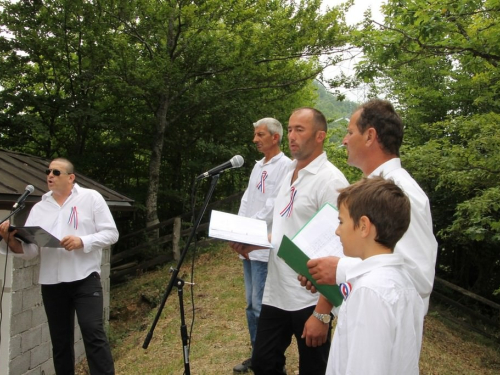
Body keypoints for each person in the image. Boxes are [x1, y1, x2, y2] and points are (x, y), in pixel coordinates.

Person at [232, 107, 349, 375]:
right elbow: (285, 230)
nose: (292, 136)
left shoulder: (331, 181)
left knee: (313, 369)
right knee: (264, 363)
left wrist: (322, 313)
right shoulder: (289, 174)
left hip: (309, 297)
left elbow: (338, 250)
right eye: (291, 128)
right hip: (276, 292)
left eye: (300, 129)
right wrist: (255, 242)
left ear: (320, 136)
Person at [301, 99, 438, 313]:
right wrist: (325, 274)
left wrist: (340, 269)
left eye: (350, 132)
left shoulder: (402, 192)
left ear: (370, 136)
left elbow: (417, 277)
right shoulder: (372, 189)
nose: (344, 140)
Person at [0, 158, 118, 375]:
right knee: (60, 342)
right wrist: (10, 240)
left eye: (56, 172)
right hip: (52, 282)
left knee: (93, 332)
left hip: (84, 278)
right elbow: (32, 252)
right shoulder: (39, 208)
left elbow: (112, 234)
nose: (50, 175)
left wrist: (82, 241)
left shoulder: (91, 198)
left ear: (71, 178)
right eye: (48, 171)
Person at [328, 176, 424, 374]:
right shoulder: (403, 284)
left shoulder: (370, 291)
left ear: (363, 226)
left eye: (341, 221)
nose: (337, 231)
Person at [232, 118, 292, 373]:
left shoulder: (286, 166)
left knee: (260, 304)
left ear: (275, 137)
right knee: (249, 303)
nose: (255, 140)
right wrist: (238, 227)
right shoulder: (258, 166)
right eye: (255, 135)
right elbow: (248, 198)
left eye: (260, 135)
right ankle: (257, 352)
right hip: (248, 243)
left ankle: (267, 357)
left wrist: (251, 230)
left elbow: (275, 205)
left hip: (264, 245)